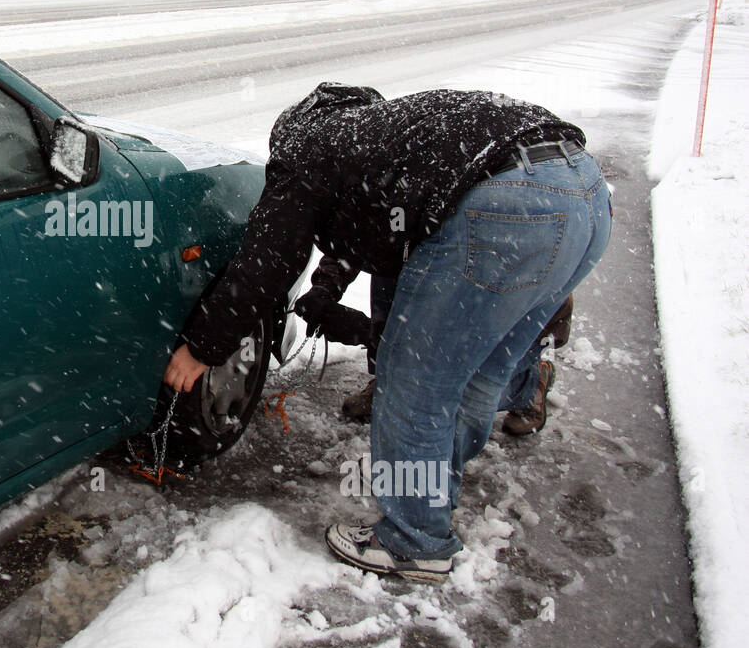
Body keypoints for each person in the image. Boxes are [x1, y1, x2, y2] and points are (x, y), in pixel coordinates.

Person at [162, 82, 611, 582]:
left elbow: (267, 261)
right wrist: (327, 290)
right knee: (480, 373)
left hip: (506, 206)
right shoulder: (379, 136)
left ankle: (414, 539)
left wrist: (202, 347)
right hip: (584, 194)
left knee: (413, 387)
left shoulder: (305, 147)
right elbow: (367, 221)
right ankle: (497, 417)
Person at [328, 256, 574, 437]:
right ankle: (393, 378)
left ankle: (528, 385)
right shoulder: (413, 197)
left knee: (453, 403)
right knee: (395, 252)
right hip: (445, 272)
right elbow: (358, 224)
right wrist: (326, 285)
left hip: (514, 307)